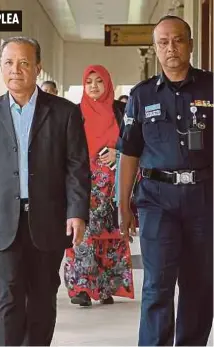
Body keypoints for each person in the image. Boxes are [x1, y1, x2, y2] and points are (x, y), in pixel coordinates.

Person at [0, 36, 91, 346]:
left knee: (42, 295)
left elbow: (77, 166)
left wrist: (77, 212)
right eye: (8, 63)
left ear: (38, 67)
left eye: (24, 63)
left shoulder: (64, 112)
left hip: (48, 218)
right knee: (8, 294)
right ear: (1, 67)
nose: (15, 70)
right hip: (0, 219)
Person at [118, 15, 213, 346]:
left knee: (200, 283)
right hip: (156, 198)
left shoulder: (210, 87)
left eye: (177, 40)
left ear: (190, 44)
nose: (171, 48)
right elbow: (128, 153)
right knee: (157, 283)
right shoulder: (142, 95)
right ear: (155, 49)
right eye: (163, 42)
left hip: (204, 197)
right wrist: (123, 205)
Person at [64, 64, 134, 307]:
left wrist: (119, 153)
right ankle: (81, 288)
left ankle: (104, 288)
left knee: (110, 236)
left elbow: (135, 142)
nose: (94, 86)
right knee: (80, 234)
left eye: (99, 81)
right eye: (89, 81)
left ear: (108, 83)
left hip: (113, 185)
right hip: (82, 183)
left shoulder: (121, 111)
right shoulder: (74, 113)